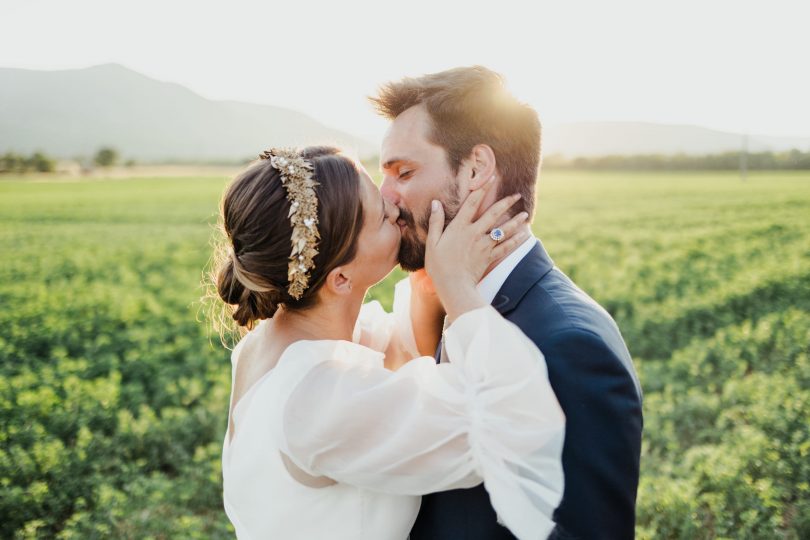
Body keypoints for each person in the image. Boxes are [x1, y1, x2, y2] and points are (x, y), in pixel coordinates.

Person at [214, 146, 565, 539]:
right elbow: (511, 427)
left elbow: (387, 356)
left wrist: (429, 286)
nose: (396, 208)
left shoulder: (269, 342)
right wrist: (458, 290)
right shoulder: (318, 401)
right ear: (341, 279)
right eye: (381, 216)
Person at [371, 66, 644, 539]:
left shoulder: (569, 346)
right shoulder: (441, 304)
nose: (386, 198)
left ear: (476, 169)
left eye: (404, 172)